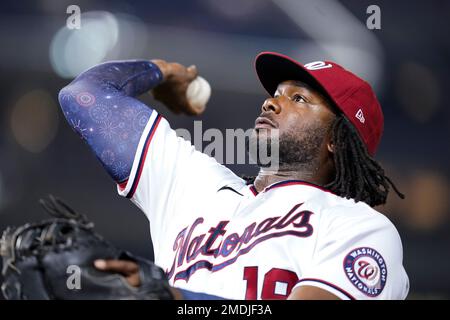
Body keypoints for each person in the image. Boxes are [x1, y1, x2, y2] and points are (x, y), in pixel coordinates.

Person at [58, 52, 409, 300]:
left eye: (299, 99)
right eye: (275, 94)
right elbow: (85, 96)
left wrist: (176, 297)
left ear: (337, 139)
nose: (271, 103)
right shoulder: (194, 183)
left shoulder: (360, 228)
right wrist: (161, 71)